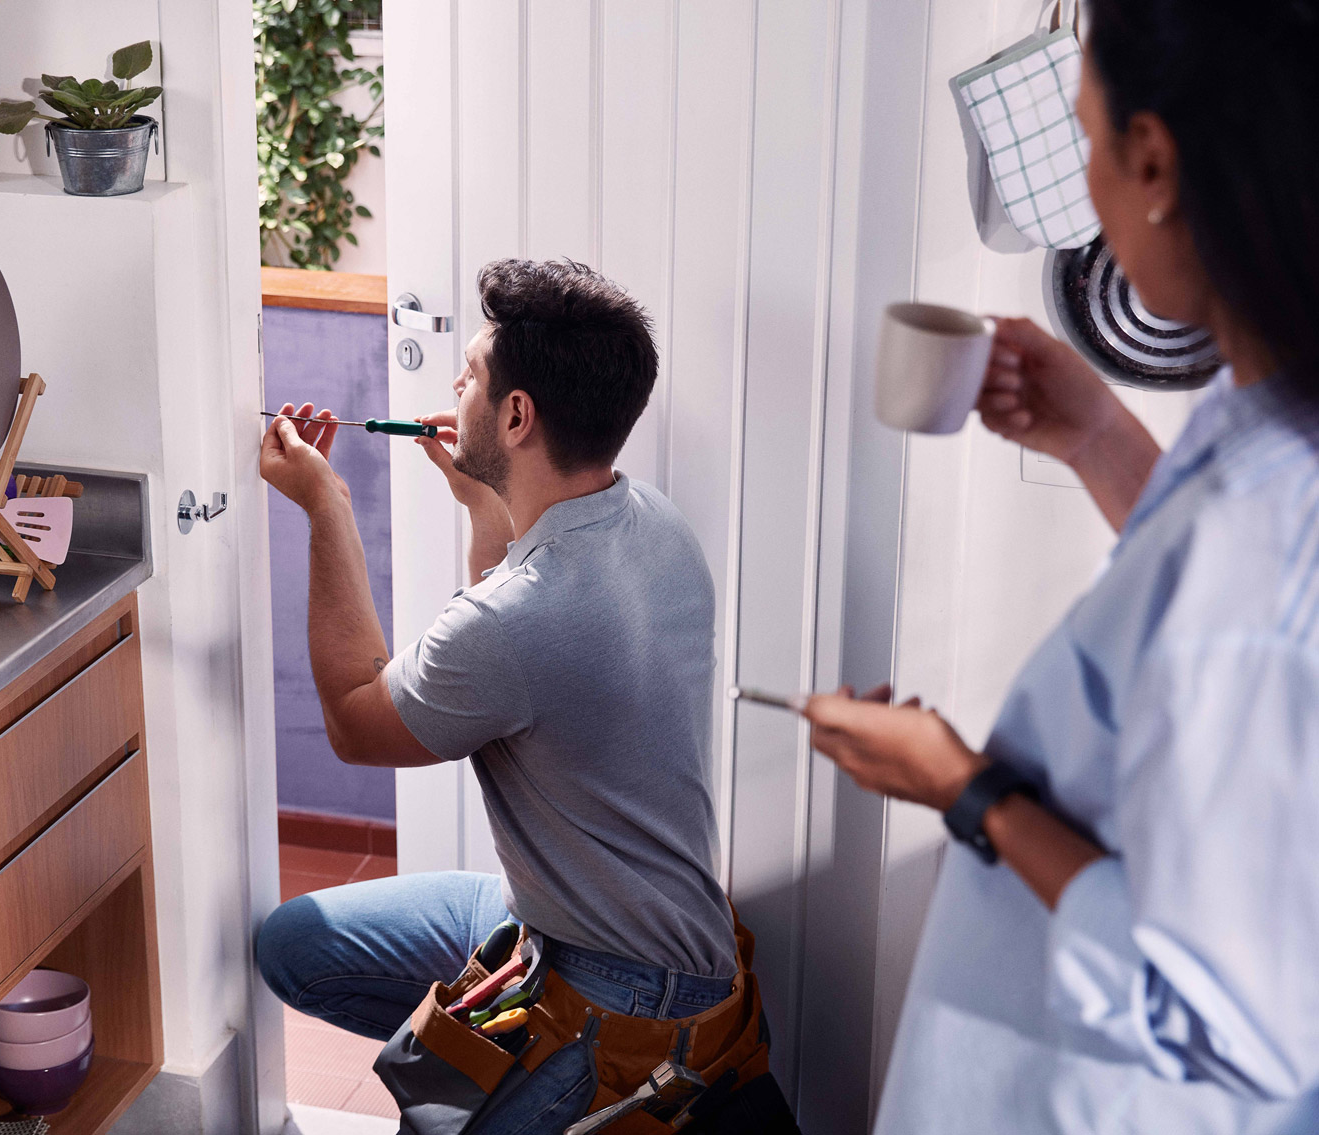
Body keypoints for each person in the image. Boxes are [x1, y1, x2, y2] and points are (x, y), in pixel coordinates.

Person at [804, 2, 1319, 1131]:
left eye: (1085, 137)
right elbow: (1203, 635)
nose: (1083, 180)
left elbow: (1230, 1017)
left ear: (1152, 162)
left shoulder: (1266, 534)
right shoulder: (1267, 406)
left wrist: (963, 786)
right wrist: (1098, 438)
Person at [256, 259, 791, 1129]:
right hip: (591, 923)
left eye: (467, 371)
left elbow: (357, 717)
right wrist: (480, 500)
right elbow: (523, 659)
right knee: (295, 946)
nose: (452, 385)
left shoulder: (519, 619)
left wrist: (327, 505)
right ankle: (498, 1068)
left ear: (516, 415)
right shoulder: (650, 518)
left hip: (622, 988)